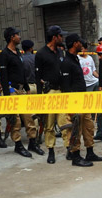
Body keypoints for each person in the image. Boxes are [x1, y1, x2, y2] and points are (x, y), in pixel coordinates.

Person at [59, 34, 102, 166]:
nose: (81, 45)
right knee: (75, 130)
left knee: (88, 127)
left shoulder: (75, 59)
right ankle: (76, 156)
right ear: (74, 44)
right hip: (74, 102)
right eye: (79, 42)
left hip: (83, 100)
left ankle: (90, 152)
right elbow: (66, 86)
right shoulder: (66, 62)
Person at [0, 27, 43, 157]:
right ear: (12, 37)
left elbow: (22, 72)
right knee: (16, 120)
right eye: (17, 35)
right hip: (11, 90)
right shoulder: (4, 54)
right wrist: (7, 95)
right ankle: (18, 145)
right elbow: (3, 75)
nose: (19, 37)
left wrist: (27, 88)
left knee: (29, 117)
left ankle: (32, 143)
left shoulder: (18, 52)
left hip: (22, 89)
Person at [35, 25, 67, 164]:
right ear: (54, 37)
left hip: (62, 91)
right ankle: (51, 151)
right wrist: (40, 97)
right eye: (60, 36)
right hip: (49, 92)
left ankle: (69, 149)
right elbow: (37, 77)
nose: (62, 38)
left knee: (65, 123)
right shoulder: (41, 54)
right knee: (49, 125)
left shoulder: (60, 52)